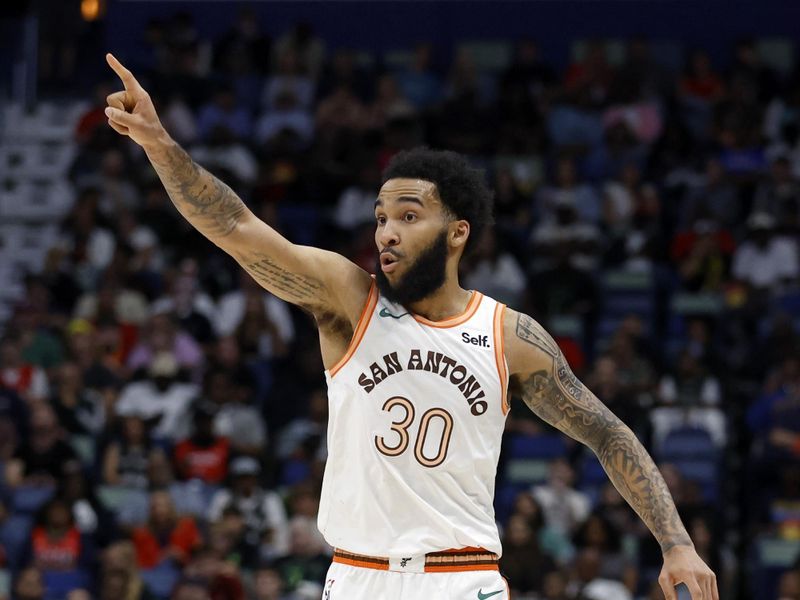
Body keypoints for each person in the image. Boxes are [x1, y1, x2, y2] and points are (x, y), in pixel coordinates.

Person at [103, 53, 718, 600]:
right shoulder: (350, 300)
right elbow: (235, 227)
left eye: (408, 215)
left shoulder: (507, 335)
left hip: (463, 576)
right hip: (356, 575)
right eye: (380, 217)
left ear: (457, 232)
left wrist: (675, 542)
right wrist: (160, 144)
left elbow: (606, 433)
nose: (386, 232)